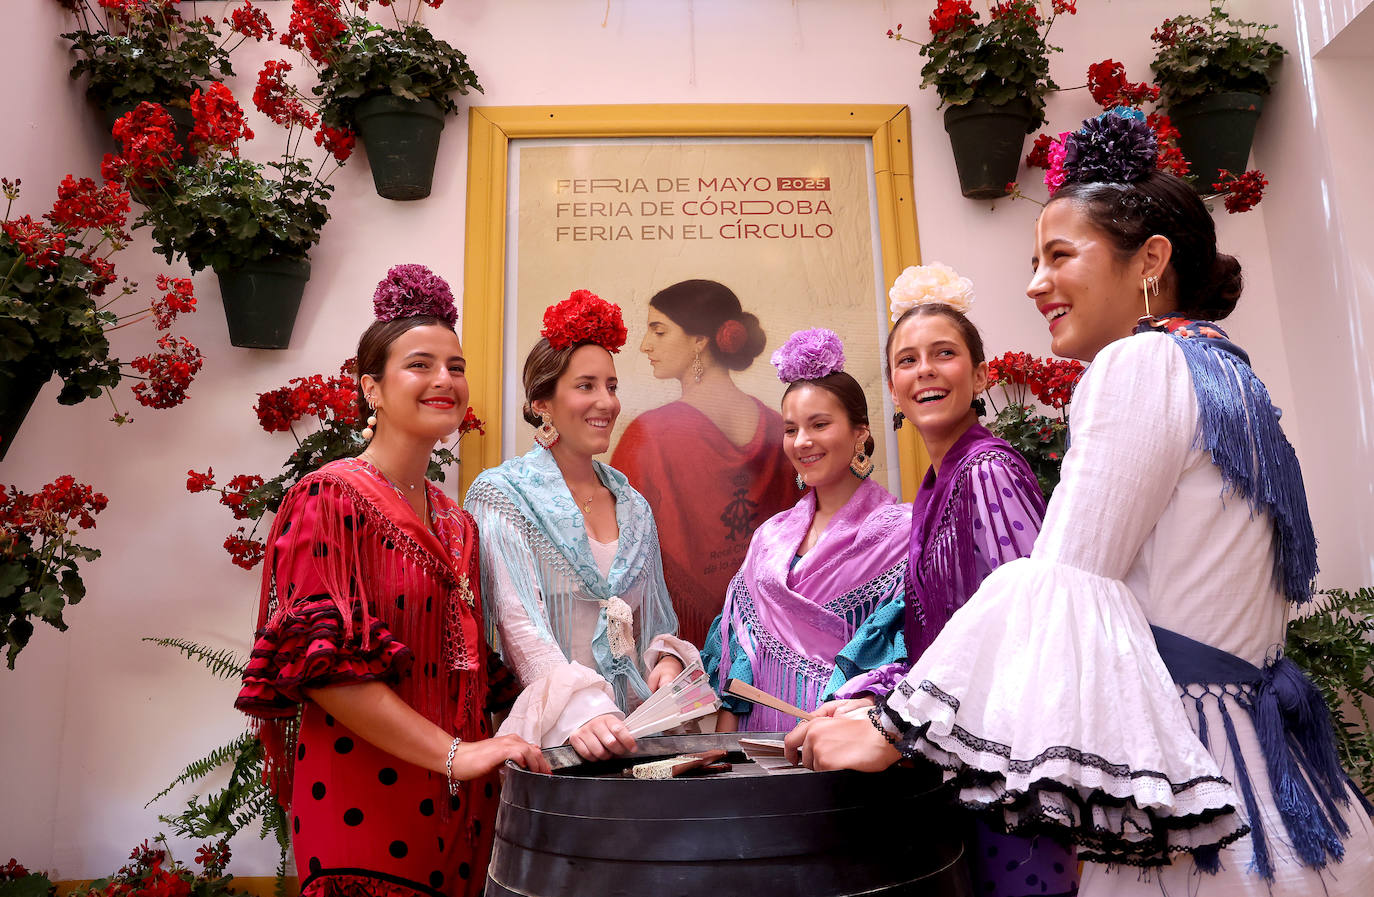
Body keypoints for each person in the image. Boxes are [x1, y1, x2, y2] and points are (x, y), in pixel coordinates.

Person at [787, 110, 1374, 894]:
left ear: (1150, 261)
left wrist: (891, 730)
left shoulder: (1139, 364)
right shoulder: (1227, 369)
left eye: (1059, 255)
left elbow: (1063, 584)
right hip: (1261, 764)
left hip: (1188, 784)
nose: (1035, 283)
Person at [235, 264, 549, 897]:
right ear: (370, 389)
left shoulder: (458, 523)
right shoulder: (329, 497)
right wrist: (458, 755)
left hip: (463, 809)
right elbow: (324, 672)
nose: (445, 381)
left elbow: (469, 671)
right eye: (420, 364)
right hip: (363, 801)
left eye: (456, 367)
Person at [824, 273, 1080, 897]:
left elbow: (1024, 627)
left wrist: (897, 721)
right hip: (968, 757)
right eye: (907, 361)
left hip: (1015, 768)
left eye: (944, 353)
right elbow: (944, 640)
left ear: (982, 376)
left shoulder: (987, 469)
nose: (925, 371)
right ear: (892, 389)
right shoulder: (938, 486)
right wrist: (877, 696)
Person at [464, 289, 700, 761]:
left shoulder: (633, 505)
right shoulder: (503, 495)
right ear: (542, 403)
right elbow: (519, 628)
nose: (606, 402)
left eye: (611, 386)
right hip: (559, 737)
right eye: (586, 386)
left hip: (637, 736)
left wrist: (668, 661)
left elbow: (656, 623)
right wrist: (584, 712)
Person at [700, 328, 909, 733]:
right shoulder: (769, 538)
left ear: (860, 432)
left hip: (844, 737)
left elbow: (904, 651)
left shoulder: (903, 532)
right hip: (759, 741)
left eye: (820, 424)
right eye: (791, 428)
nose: (802, 442)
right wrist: (729, 753)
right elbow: (740, 650)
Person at [611, 279, 798, 645]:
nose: (645, 345)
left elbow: (622, 550)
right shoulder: (778, 427)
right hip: (771, 631)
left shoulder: (648, 434)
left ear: (700, 340)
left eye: (658, 330)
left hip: (682, 642)